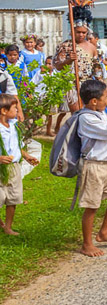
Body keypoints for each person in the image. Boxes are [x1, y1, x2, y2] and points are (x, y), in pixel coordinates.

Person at [76, 80, 107, 257]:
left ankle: (104, 232)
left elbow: (106, 139)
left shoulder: (99, 113)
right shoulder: (86, 118)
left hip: (106, 164)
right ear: (93, 101)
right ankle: (87, 244)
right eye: (106, 97)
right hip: (94, 166)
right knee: (92, 205)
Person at [55, 2, 107, 113]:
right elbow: (58, 66)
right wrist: (69, 60)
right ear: (72, 31)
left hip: (87, 85)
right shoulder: (65, 46)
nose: (81, 35)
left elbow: (97, 69)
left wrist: (101, 85)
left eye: (84, 32)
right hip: (71, 85)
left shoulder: (92, 47)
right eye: (78, 32)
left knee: (90, 112)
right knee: (77, 113)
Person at [0, 94, 39, 235]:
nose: (17, 111)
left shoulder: (13, 127)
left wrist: (27, 156)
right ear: (4, 111)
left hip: (14, 167)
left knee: (13, 196)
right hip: (0, 168)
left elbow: (17, 146)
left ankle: (8, 227)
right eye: (15, 108)